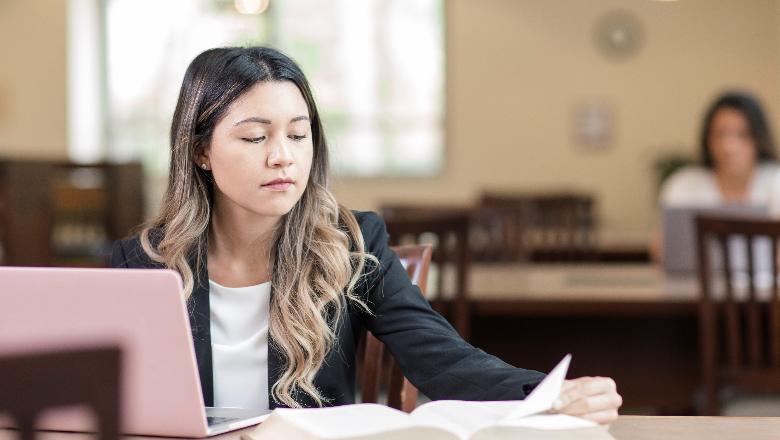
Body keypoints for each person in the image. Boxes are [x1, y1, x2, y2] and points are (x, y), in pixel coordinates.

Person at [110, 46, 622, 424]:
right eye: (254, 136)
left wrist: (545, 394)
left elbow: (439, 357)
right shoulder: (143, 264)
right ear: (200, 151)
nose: (282, 155)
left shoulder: (353, 244)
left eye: (297, 133)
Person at [660, 91, 780, 210]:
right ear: (707, 138)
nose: (729, 147)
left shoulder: (775, 183)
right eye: (719, 134)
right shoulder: (683, 186)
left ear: (760, 138)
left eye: (743, 135)